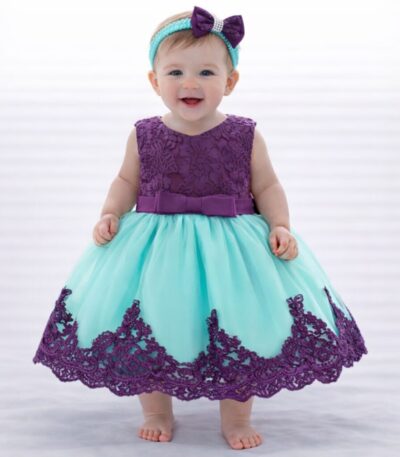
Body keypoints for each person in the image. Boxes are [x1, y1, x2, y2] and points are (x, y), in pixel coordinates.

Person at [32, 5, 368, 451]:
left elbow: (267, 184)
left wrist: (280, 225)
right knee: (153, 323)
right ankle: (156, 409)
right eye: (175, 72)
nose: (189, 83)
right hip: (156, 251)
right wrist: (110, 213)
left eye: (206, 72)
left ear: (230, 82)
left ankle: (237, 417)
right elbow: (126, 181)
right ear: (154, 81)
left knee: (242, 324)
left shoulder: (245, 135)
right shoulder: (144, 134)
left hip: (232, 250)